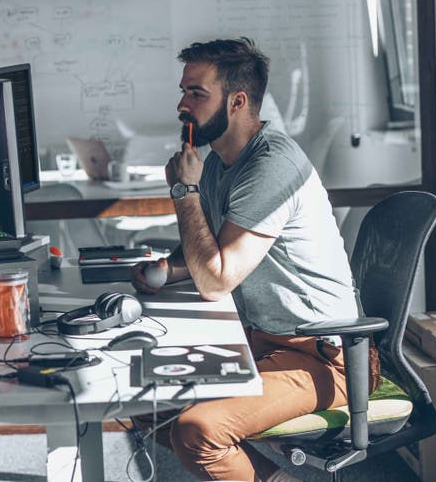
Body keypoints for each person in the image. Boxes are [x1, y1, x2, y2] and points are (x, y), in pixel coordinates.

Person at [130, 38, 381, 482]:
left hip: (326, 356)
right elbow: (206, 255)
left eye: (196, 93)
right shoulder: (220, 164)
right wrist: (165, 271)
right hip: (262, 341)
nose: (181, 105)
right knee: (147, 404)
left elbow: (215, 281)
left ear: (237, 101)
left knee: (196, 431)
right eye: (183, 91)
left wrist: (183, 191)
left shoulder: (270, 167)